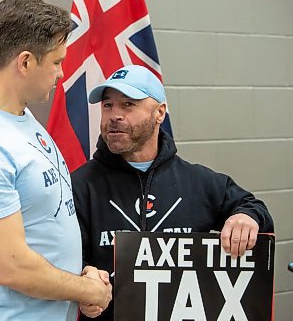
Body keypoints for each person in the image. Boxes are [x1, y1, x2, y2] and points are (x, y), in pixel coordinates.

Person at [0, 0, 111, 321]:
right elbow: (12, 267)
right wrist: (86, 289)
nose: (61, 72)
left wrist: (80, 279)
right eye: (57, 62)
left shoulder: (20, 117)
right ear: (26, 63)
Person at [71, 64, 274, 321]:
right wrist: (83, 280)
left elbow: (254, 207)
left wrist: (246, 217)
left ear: (160, 113)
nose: (114, 115)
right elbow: (63, 260)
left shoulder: (197, 181)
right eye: (108, 105)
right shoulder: (79, 185)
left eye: (128, 105)